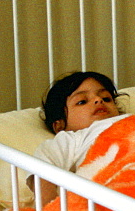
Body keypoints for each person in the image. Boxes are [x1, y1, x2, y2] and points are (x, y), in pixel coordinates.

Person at [30, 71, 126, 203]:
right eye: (82, 102)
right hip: (119, 192)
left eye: (107, 98)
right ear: (59, 125)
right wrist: (48, 210)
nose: (99, 100)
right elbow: (41, 168)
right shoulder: (73, 139)